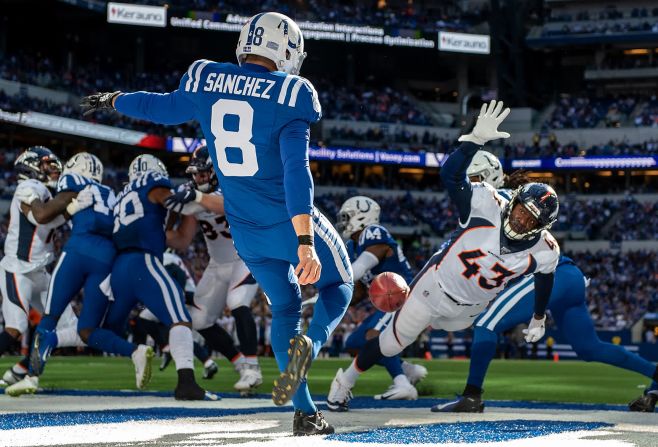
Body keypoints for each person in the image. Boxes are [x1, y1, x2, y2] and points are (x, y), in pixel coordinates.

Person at [81, 12, 353, 434]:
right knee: (340, 284)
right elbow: (296, 169)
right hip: (284, 219)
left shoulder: (206, 78)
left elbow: (159, 106)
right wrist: (304, 240)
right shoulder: (293, 92)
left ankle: (305, 414)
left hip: (245, 231)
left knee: (284, 308)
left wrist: (115, 98)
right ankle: (310, 346)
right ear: (286, 51)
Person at [334, 100, 561, 393]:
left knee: (423, 330)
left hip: (470, 310)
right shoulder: (485, 202)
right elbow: (450, 176)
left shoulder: (545, 250)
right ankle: (346, 381)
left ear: (541, 228)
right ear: (514, 200)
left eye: (530, 220)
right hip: (435, 288)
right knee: (390, 343)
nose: (520, 220)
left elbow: (545, 278)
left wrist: (539, 316)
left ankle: (409, 370)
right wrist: (474, 141)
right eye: (521, 210)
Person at [434, 156, 658, 413]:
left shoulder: (499, 203)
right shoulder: (505, 201)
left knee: (487, 323)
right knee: (589, 348)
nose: (468, 186)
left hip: (551, 275)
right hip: (569, 277)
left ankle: (471, 396)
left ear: (487, 178)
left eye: (472, 180)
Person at [5, 152, 153, 397]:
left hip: (80, 249)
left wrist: (66, 204)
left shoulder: (72, 182)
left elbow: (44, 214)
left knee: (49, 317)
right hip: (109, 258)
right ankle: (135, 352)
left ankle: (31, 376)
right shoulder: (112, 194)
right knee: (86, 330)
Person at [104, 154, 212, 400]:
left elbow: (180, 240)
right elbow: (171, 201)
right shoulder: (153, 181)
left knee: (103, 327)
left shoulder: (122, 196)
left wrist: (187, 214)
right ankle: (186, 383)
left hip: (118, 267)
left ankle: (49, 343)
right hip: (143, 262)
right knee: (180, 318)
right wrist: (195, 199)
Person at [166, 145, 262, 394]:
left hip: (246, 257)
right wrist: (159, 233)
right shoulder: (194, 195)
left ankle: (253, 367)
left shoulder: (233, 185)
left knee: (238, 301)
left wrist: (196, 199)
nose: (198, 179)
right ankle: (242, 365)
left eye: (204, 173)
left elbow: (225, 206)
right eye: (195, 174)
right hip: (217, 263)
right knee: (199, 319)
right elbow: (183, 240)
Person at [326, 196, 427, 411]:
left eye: (347, 217)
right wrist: (334, 296)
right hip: (387, 303)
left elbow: (361, 268)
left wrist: (330, 281)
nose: (343, 222)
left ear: (362, 216)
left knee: (375, 337)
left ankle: (401, 384)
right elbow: (359, 292)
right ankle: (406, 371)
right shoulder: (353, 245)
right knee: (354, 343)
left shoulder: (374, 232)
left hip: (404, 298)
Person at [0, 147, 84, 386]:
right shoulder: (28, 188)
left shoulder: (45, 192)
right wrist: (71, 200)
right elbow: (42, 216)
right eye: (47, 164)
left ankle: (20, 370)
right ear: (31, 166)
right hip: (18, 268)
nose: (54, 168)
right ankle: (21, 371)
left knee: (70, 328)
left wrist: (72, 208)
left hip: (40, 271)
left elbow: (52, 219)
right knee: (16, 327)